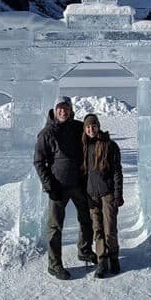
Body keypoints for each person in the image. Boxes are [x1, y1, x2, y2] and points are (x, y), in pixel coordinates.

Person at [34, 96, 96, 280]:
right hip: (58, 187)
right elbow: (39, 162)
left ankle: (84, 250)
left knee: (86, 219)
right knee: (55, 227)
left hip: (78, 184)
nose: (63, 111)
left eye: (66, 108)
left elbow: (92, 135)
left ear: (71, 110)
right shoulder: (46, 133)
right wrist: (49, 185)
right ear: (54, 110)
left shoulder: (78, 128)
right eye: (60, 108)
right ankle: (54, 265)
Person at [81, 113, 124, 279]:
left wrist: (117, 194)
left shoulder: (110, 145)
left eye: (93, 126)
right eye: (88, 127)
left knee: (109, 229)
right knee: (97, 229)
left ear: (98, 126)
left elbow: (117, 172)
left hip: (107, 194)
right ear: (85, 129)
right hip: (92, 195)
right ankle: (102, 260)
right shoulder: (84, 146)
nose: (91, 129)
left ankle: (113, 256)